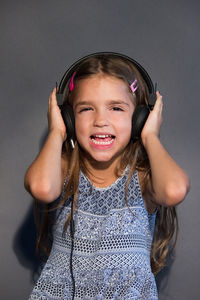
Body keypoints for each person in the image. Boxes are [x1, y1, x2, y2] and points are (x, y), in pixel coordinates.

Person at [24, 53, 190, 300]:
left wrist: (150, 136)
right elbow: (41, 187)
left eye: (116, 108)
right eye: (86, 109)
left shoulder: (143, 178)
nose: (101, 121)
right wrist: (57, 132)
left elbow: (174, 190)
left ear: (139, 119)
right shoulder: (65, 170)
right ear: (69, 118)